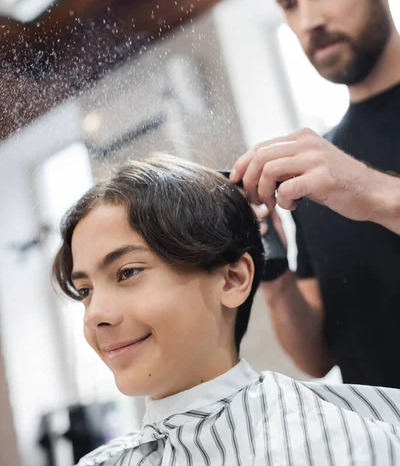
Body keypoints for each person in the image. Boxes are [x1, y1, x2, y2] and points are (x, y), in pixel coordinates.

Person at [52, 155, 400, 466]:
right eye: (85, 290)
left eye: (128, 272)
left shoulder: (331, 442)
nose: (95, 313)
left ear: (233, 279)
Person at [232, 0, 400, 387]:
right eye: (289, 3)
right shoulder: (320, 171)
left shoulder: (336, 174)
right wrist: (271, 265)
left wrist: (366, 192)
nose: (308, 21)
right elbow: (319, 356)